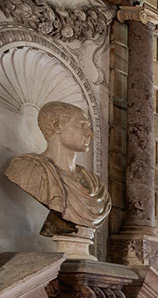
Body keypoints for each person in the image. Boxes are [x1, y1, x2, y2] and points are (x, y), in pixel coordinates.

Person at [4, 100, 109, 246]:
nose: (90, 134)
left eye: (89, 127)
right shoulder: (28, 168)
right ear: (57, 126)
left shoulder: (96, 185)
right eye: (82, 125)